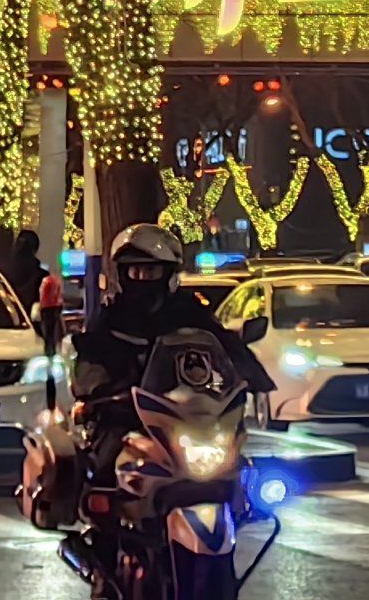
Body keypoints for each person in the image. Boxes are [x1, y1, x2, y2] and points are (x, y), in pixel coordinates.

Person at [64, 225, 268, 584]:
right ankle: (103, 552)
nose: (143, 278)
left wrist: (249, 374)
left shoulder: (189, 313)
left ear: (169, 273)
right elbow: (89, 357)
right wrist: (99, 387)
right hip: (131, 415)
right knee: (108, 465)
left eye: (151, 270)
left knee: (239, 461)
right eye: (135, 271)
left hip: (185, 418)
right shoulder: (112, 319)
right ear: (122, 274)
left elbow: (222, 346)